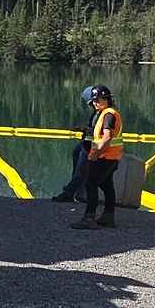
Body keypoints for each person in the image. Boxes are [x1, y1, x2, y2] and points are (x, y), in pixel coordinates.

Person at [70, 84, 123, 229]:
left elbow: (106, 138)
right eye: (93, 101)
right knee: (107, 186)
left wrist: (96, 154)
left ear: (106, 99)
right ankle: (108, 217)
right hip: (111, 157)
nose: (94, 103)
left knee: (90, 184)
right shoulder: (106, 113)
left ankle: (89, 218)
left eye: (97, 100)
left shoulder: (108, 115)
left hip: (105, 157)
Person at [49, 85, 98, 202]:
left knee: (82, 169)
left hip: (95, 147)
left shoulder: (105, 114)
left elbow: (99, 132)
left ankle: (69, 193)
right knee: (77, 153)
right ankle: (77, 192)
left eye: (92, 102)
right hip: (89, 144)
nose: (92, 105)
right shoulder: (97, 113)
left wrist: (84, 129)